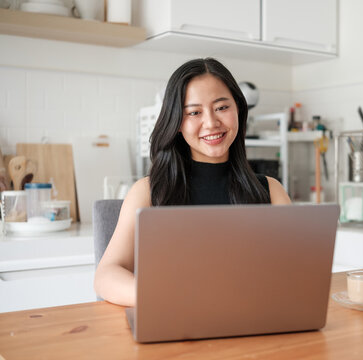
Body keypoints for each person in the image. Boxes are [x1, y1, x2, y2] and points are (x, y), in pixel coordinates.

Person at [94, 58, 291, 306]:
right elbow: (106, 275)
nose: (211, 122)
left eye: (221, 107)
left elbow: (295, 271)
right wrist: (164, 297)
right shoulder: (148, 192)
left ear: (238, 109)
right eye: (194, 112)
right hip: (176, 324)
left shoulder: (271, 191)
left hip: (254, 322)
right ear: (177, 122)